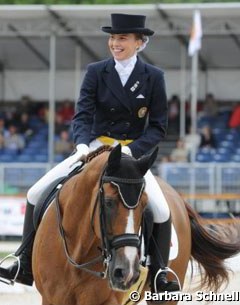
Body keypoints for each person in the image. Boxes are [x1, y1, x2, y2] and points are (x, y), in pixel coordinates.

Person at [0, 13, 180, 293]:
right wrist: (83, 144)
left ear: (139, 43)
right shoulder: (97, 71)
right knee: (36, 192)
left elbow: (158, 127)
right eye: (112, 37)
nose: (114, 43)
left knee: (161, 209)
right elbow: (82, 114)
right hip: (94, 148)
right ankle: (22, 262)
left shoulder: (153, 77)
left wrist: (131, 150)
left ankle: (159, 274)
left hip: (130, 153)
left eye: (122, 38)